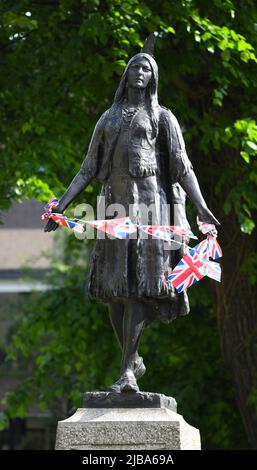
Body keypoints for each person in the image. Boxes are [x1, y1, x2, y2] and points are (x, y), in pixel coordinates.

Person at [44, 39, 219, 393]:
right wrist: (59, 207)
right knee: (114, 290)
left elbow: (183, 167)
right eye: (135, 67)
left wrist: (202, 207)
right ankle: (132, 357)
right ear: (126, 74)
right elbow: (87, 169)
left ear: (153, 78)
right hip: (114, 209)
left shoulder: (162, 117)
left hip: (151, 208)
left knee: (139, 288)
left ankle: (126, 371)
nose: (140, 73)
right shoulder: (107, 118)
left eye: (147, 69)